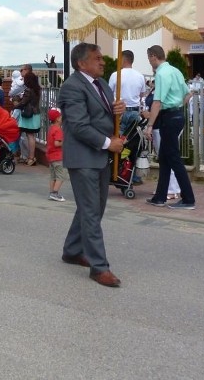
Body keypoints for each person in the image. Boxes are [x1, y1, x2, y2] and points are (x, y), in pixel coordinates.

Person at [57, 43, 125, 287]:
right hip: (83, 156)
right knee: (90, 212)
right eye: (97, 58)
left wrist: (119, 110)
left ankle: (72, 250)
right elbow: (79, 125)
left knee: (93, 208)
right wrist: (109, 143)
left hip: (100, 156)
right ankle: (99, 267)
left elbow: (104, 115)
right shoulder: (71, 87)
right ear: (81, 63)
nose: (102, 62)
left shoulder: (103, 84)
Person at [144, 45, 196, 210]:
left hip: (168, 117)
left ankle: (188, 198)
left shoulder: (161, 73)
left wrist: (150, 125)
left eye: (149, 58)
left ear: (153, 56)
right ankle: (160, 196)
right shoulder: (175, 71)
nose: (149, 61)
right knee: (165, 158)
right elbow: (188, 93)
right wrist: (178, 105)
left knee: (172, 158)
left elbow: (157, 101)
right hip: (178, 115)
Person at [108, 49, 147, 183]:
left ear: (123, 60)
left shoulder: (116, 75)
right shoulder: (140, 76)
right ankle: (132, 174)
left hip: (120, 112)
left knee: (118, 141)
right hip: (135, 111)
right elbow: (142, 95)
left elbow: (109, 94)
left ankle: (116, 170)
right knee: (133, 144)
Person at [15, 71, 42, 166]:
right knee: (32, 136)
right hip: (35, 114)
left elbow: (23, 102)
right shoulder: (37, 89)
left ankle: (31, 157)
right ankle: (32, 157)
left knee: (29, 136)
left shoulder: (28, 90)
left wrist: (15, 106)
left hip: (29, 115)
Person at [46, 108, 67, 201]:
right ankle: (55, 193)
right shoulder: (58, 130)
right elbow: (57, 143)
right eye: (61, 116)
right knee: (61, 176)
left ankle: (51, 192)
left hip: (51, 156)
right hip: (58, 157)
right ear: (58, 119)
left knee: (53, 176)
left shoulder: (51, 129)